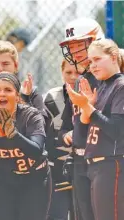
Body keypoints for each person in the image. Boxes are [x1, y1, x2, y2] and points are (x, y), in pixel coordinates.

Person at [0, 72, 51, 220]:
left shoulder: (31, 115)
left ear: (17, 95)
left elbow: (36, 151)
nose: (2, 94)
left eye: (8, 90)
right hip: (1, 181)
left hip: (34, 180)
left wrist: (14, 134)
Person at [66, 38, 124, 220]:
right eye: (90, 61)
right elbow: (80, 137)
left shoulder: (120, 86)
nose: (92, 66)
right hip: (95, 165)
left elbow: (118, 130)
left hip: (112, 163)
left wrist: (89, 108)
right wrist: (86, 107)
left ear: (114, 57)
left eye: (97, 59)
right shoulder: (100, 87)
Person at [58, 17, 105, 220]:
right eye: (71, 47)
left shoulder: (111, 79)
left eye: (79, 46)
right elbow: (67, 125)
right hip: (80, 160)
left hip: (106, 160)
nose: (74, 52)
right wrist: (68, 133)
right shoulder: (79, 82)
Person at [44, 59, 81, 220]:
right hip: (57, 169)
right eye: (68, 72)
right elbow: (47, 137)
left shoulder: (95, 95)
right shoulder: (52, 97)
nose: (73, 77)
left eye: (78, 72)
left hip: (83, 169)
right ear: (62, 73)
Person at [0, 40, 46, 114]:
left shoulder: (32, 93)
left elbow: (42, 123)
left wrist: (25, 99)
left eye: (5, 64)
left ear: (16, 66)